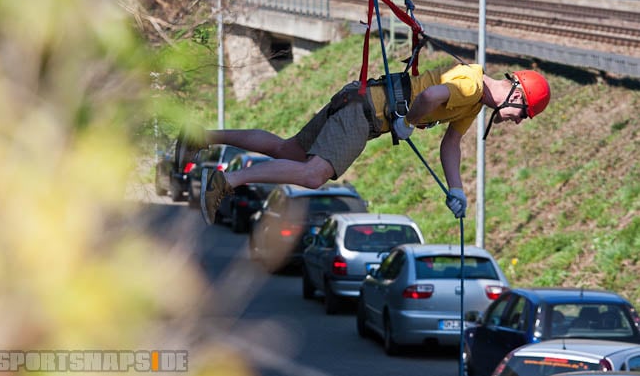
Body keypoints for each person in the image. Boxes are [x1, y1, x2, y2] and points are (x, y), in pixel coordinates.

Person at [199, 64, 550, 224]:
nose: (518, 120)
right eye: (524, 113)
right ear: (517, 93)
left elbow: (452, 143)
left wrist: (456, 190)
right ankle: (227, 181)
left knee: (285, 151)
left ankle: (205, 137)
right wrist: (411, 119)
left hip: (358, 100)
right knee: (313, 175)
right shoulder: (471, 87)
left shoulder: (474, 102)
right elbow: (431, 94)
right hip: (365, 114)